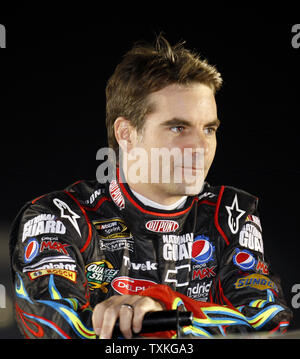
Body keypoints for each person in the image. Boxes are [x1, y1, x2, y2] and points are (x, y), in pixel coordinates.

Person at [10, 34, 292, 339]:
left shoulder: (231, 214)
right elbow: (51, 326)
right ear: (126, 133)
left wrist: (166, 309)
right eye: (178, 127)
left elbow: (267, 324)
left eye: (209, 129)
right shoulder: (57, 218)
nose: (200, 146)